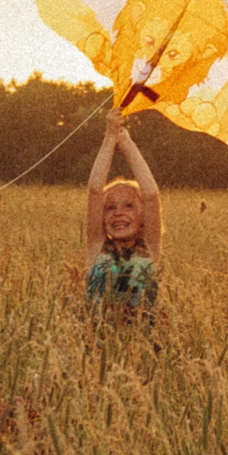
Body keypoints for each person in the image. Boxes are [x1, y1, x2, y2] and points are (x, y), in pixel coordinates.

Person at [83, 110, 162, 313]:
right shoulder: (97, 247)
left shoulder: (149, 247)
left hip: (140, 341)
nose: (118, 213)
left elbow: (151, 195)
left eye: (129, 206)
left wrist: (127, 143)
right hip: (97, 340)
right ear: (101, 217)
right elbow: (94, 190)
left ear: (143, 217)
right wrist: (110, 137)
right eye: (110, 208)